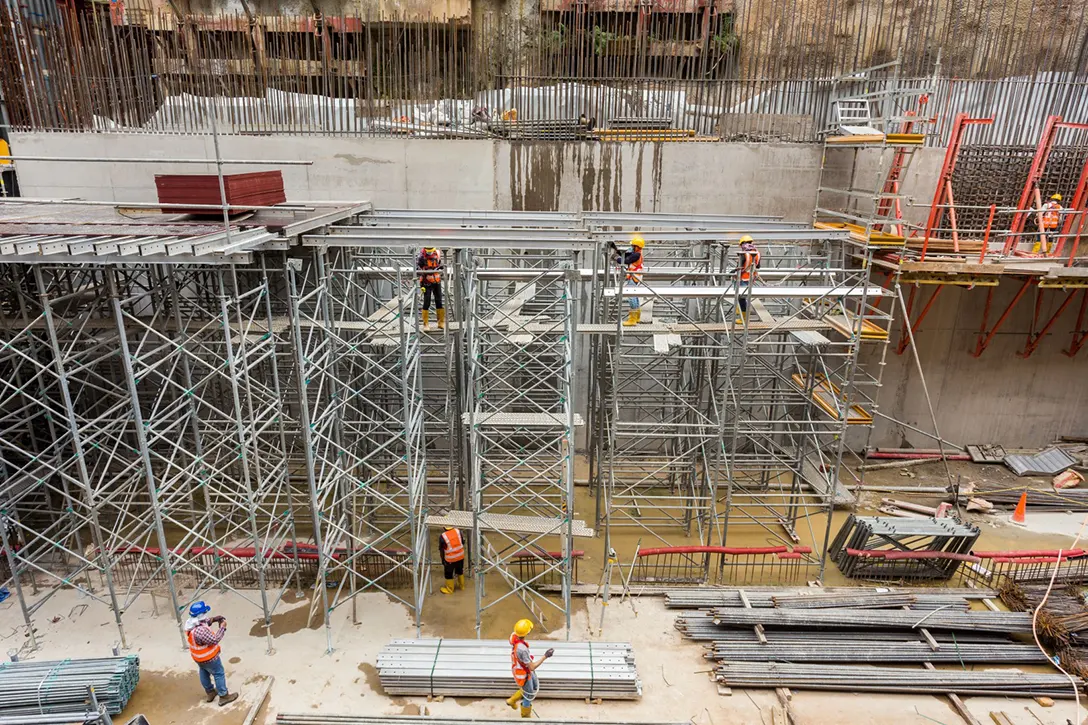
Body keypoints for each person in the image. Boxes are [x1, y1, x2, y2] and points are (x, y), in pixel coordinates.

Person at [185, 601, 239, 706]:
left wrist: (214, 619)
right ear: (201, 614)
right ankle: (224, 696)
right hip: (209, 658)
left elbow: (204, 622)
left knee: (203, 672)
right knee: (218, 673)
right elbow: (214, 639)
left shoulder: (191, 624)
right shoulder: (201, 631)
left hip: (198, 658)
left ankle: (210, 692)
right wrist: (222, 627)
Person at [506, 619, 554, 718]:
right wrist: (546, 656)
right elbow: (532, 667)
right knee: (529, 695)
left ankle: (512, 700)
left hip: (522, 669)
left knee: (534, 686)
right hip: (524, 674)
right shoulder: (522, 649)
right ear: (527, 632)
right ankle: (525, 716)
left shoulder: (514, 636)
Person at [609, 236, 645, 326]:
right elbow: (625, 255)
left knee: (631, 296)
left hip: (634, 277)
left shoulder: (637, 255)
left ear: (637, 247)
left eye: (633, 246)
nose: (631, 247)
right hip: (636, 277)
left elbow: (625, 260)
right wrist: (615, 249)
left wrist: (616, 258)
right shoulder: (637, 253)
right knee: (634, 296)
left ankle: (632, 319)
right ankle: (637, 317)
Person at [417, 246, 445, 330]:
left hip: (436, 281)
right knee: (427, 302)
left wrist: (440, 267)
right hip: (426, 282)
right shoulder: (421, 256)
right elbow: (417, 269)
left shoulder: (437, 253)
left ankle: (441, 322)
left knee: (439, 301)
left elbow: (439, 263)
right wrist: (424, 272)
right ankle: (426, 324)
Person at [735, 236, 760, 325]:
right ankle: (740, 312)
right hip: (751, 278)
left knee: (741, 298)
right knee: (743, 296)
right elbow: (758, 266)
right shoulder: (757, 253)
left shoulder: (744, 254)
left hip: (743, 278)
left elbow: (740, 267)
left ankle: (744, 319)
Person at [438, 525, 465, 595]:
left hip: (450, 559)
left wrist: (443, 560)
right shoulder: (458, 531)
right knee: (460, 571)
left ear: (444, 527)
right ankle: (462, 586)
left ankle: (450, 589)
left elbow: (442, 550)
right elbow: (462, 542)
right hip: (460, 556)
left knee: (448, 574)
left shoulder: (443, 536)